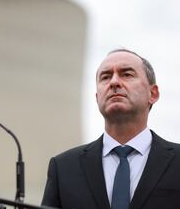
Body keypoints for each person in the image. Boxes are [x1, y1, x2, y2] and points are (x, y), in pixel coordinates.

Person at [42, 48, 180, 209]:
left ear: (153, 93)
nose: (114, 82)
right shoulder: (63, 168)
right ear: (97, 97)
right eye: (105, 77)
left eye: (127, 74)